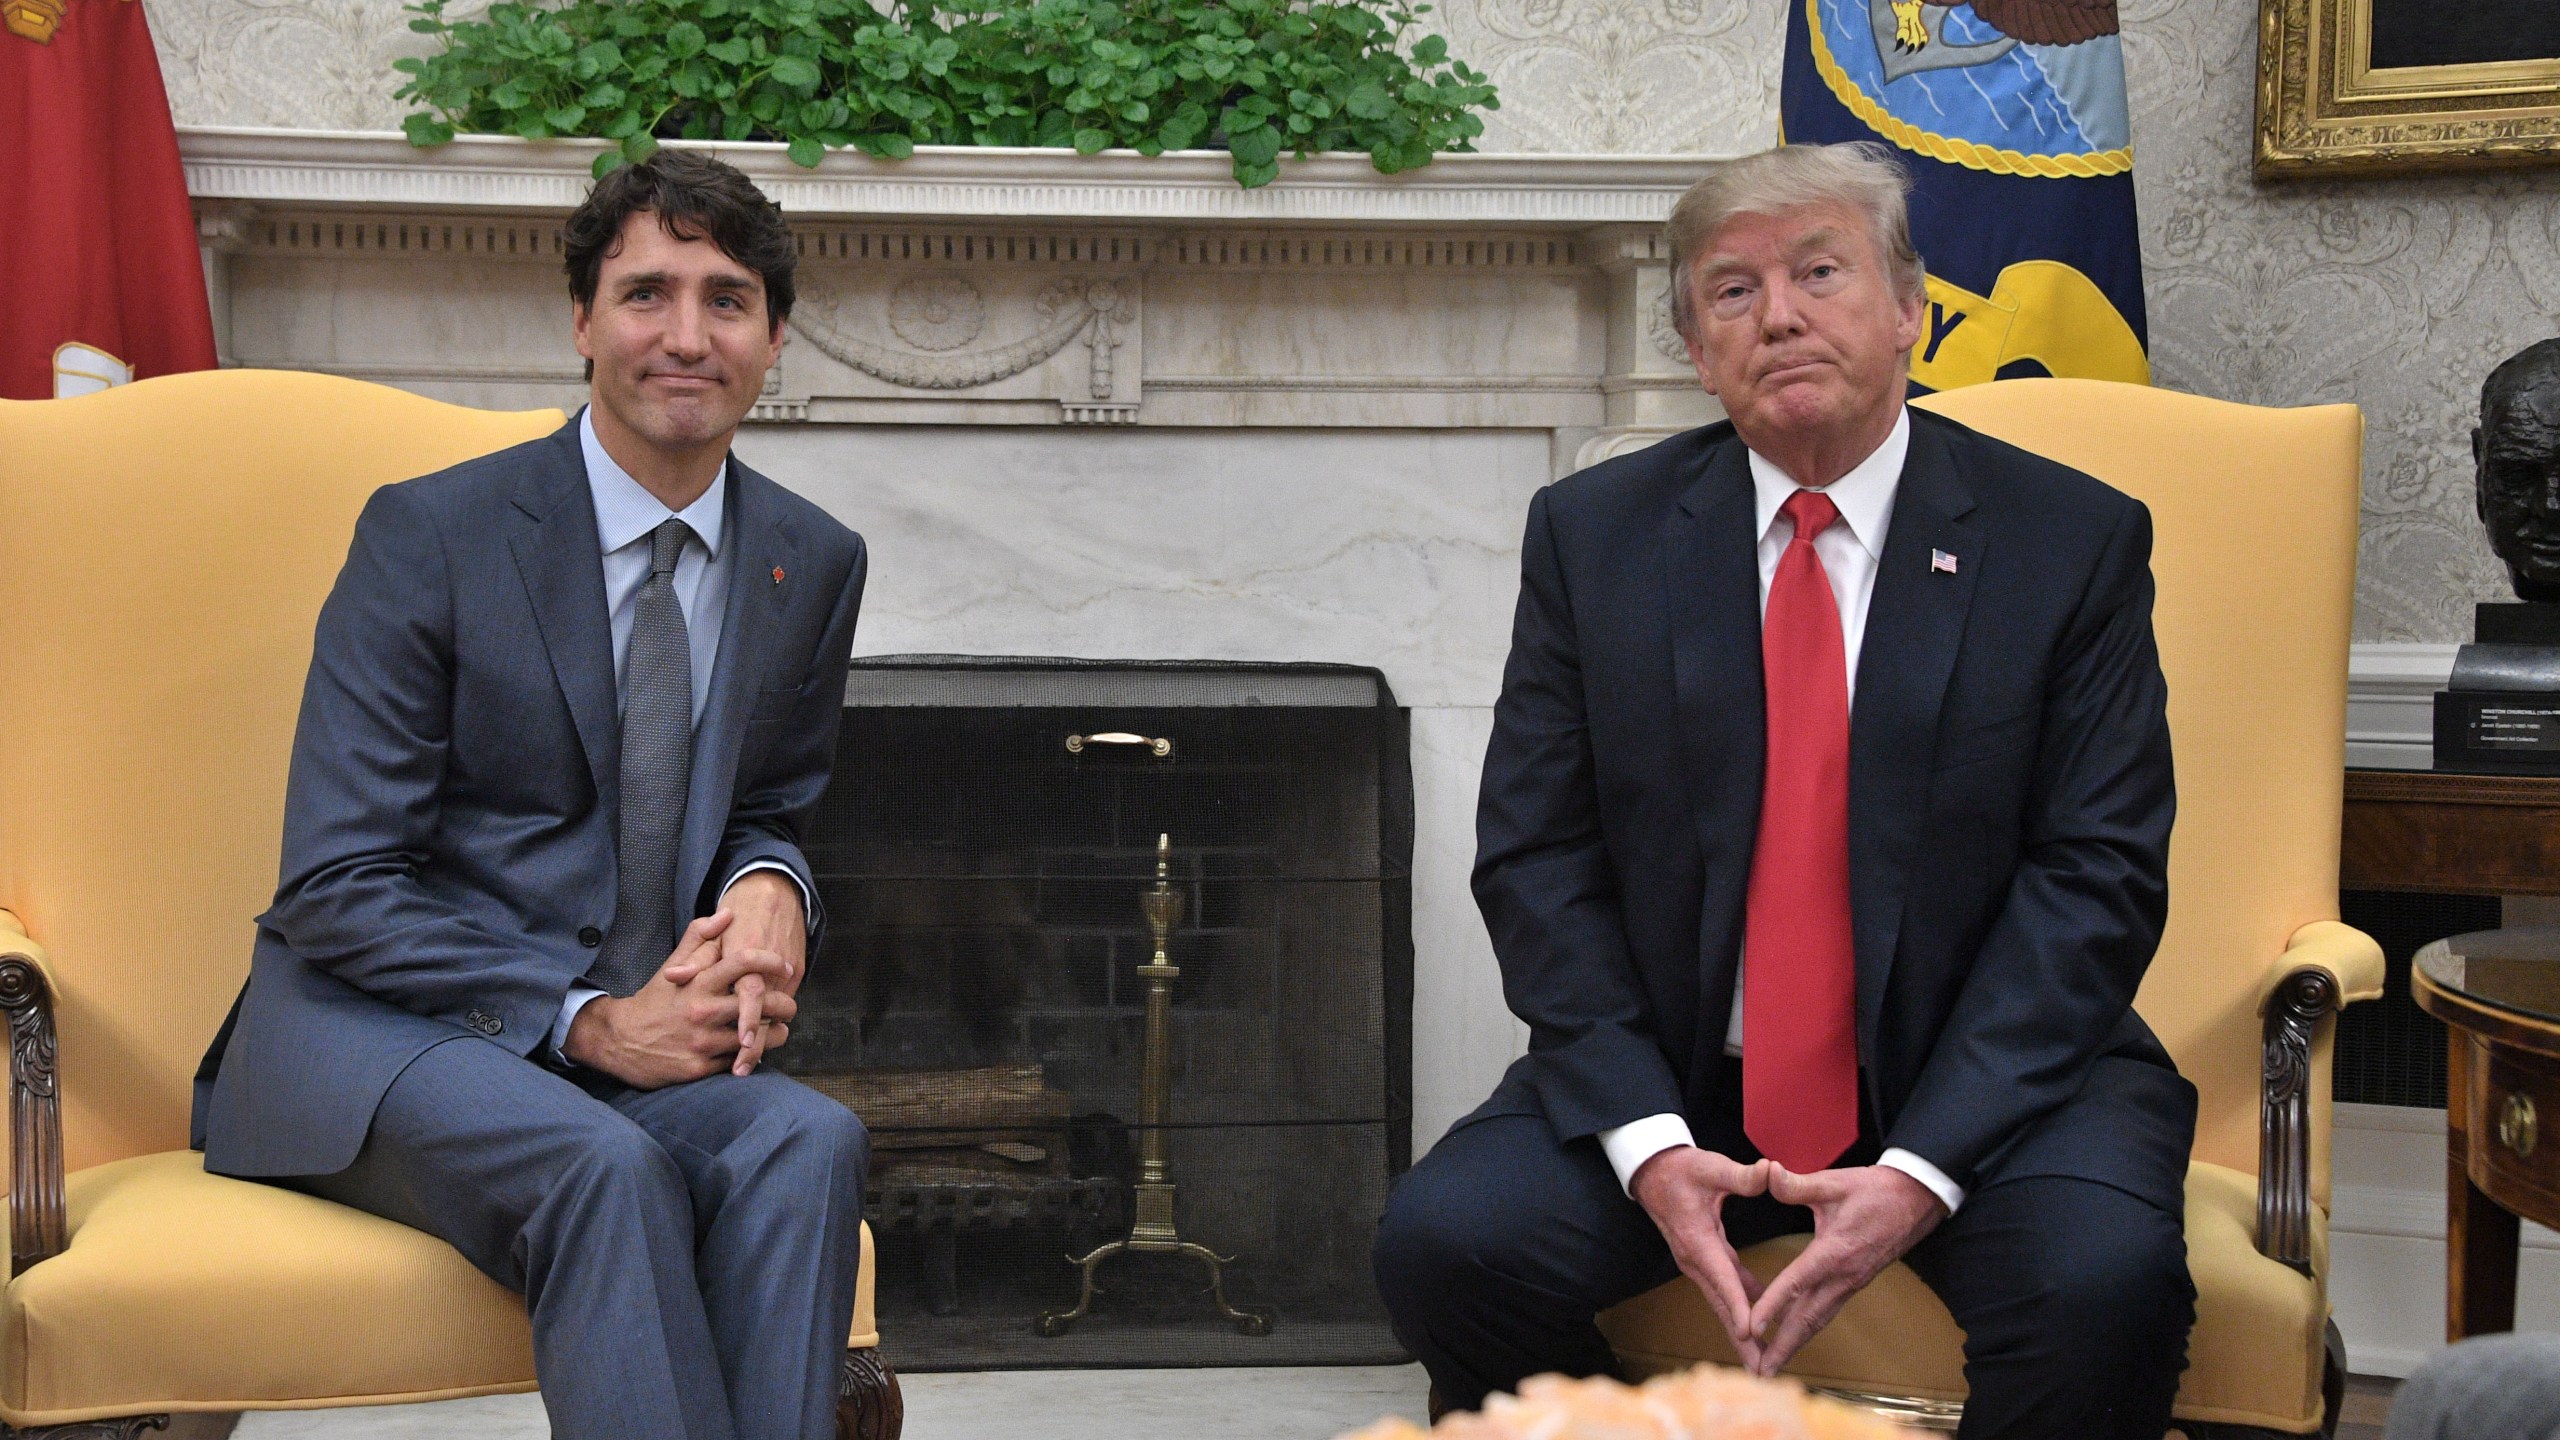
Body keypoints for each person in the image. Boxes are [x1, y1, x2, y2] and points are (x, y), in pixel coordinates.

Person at [1374, 141, 2198, 1440]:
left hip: (1992, 1079)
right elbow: (1538, 856)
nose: (1782, 315)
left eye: (1821, 271)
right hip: (1690, 1071)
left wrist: (1924, 1167)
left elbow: (2096, 873)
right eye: (1733, 291)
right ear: (1699, 350)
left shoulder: (2072, 542)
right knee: (1446, 1243)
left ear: (1911, 309)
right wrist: (1648, 1141)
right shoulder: (1594, 540)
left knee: (2102, 1288)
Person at [190, 150, 872, 1440]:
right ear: (581, 319)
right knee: (600, 1166)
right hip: (381, 1040)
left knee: (807, 1141)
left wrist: (774, 887)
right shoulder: (431, 535)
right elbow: (336, 885)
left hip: (635, 1043)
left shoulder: (808, 561)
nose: (686, 336)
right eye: (645, 294)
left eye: (727, 300)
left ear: (775, 339)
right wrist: (587, 1024)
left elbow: (768, 804)